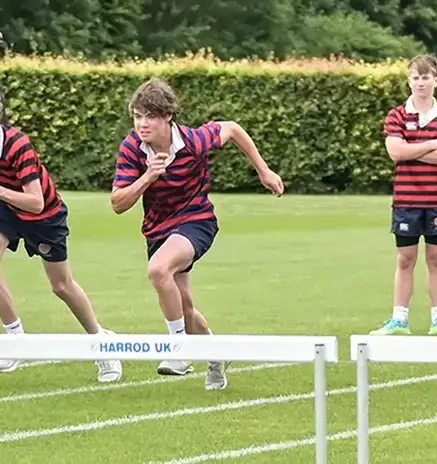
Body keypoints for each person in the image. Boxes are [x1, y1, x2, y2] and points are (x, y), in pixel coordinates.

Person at [110, 79, 284, 391]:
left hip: (196, 220)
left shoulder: (193, 141)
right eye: (137, 117)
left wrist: (263, 170)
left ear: (168, 117)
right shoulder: (132, 148)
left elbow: (232, 129)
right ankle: (216, 355)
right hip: (158, 229)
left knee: (158, 269)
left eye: (150, 117)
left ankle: (179, 349)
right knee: (185, 307)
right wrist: (148, 176)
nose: (142, 124)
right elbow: (118, 204)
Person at [0, 122, 121, 382]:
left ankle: (101, 342)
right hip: (6, 211)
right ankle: (16, 340)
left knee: (61, 286)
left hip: (44, 217)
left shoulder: (16, 144)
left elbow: (35, 202)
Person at [371, 54, 437, 337]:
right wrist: (432, 143)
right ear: (409, 81)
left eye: (426, 77)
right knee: (405, 259)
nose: (421, 83)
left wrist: (412, 149)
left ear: (436, 81)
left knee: (436, 259)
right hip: (407, 200)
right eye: (416, 78)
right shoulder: (397, 115)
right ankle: (399, 319)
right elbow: (395, 152)